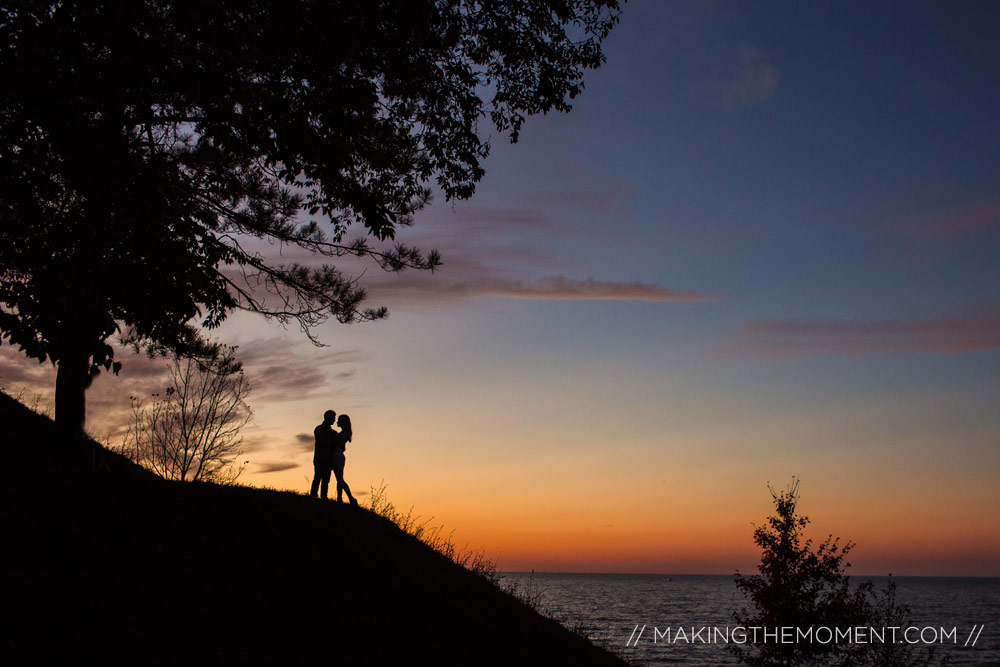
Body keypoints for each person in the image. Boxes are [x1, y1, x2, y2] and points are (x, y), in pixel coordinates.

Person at [309, 410, 337, 498]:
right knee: (317, 477)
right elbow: (322, 441)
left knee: (325, 480)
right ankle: (313, 495)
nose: (334, 420)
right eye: (333, 418)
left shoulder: (333, 433)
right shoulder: (319, 429)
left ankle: (323, 497)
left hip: (328, 459)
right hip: (320, 458)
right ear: (327, 417)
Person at [332, 413, 358, 506]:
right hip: (338, 455)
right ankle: (345, 498)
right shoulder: (344, 433)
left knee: (339, 479)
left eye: (339, 420)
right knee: (339, 479)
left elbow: (337, 443)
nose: (337, 422)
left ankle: (344, 498)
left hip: (337, 455)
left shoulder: (343, 433)